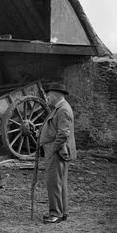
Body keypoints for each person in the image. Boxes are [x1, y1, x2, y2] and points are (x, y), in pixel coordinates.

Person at [40, 82, 77, 224]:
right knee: (59, 183)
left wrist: (53, 149)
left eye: (48, 95)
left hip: (57, 153)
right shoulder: (59, 108)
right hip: (58, 152)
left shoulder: (63, 110)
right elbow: (56, 129)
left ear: (55, 95)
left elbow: (63, 134)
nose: (47, 97)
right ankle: (63, 212)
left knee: (54, 184)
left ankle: (55, 214)